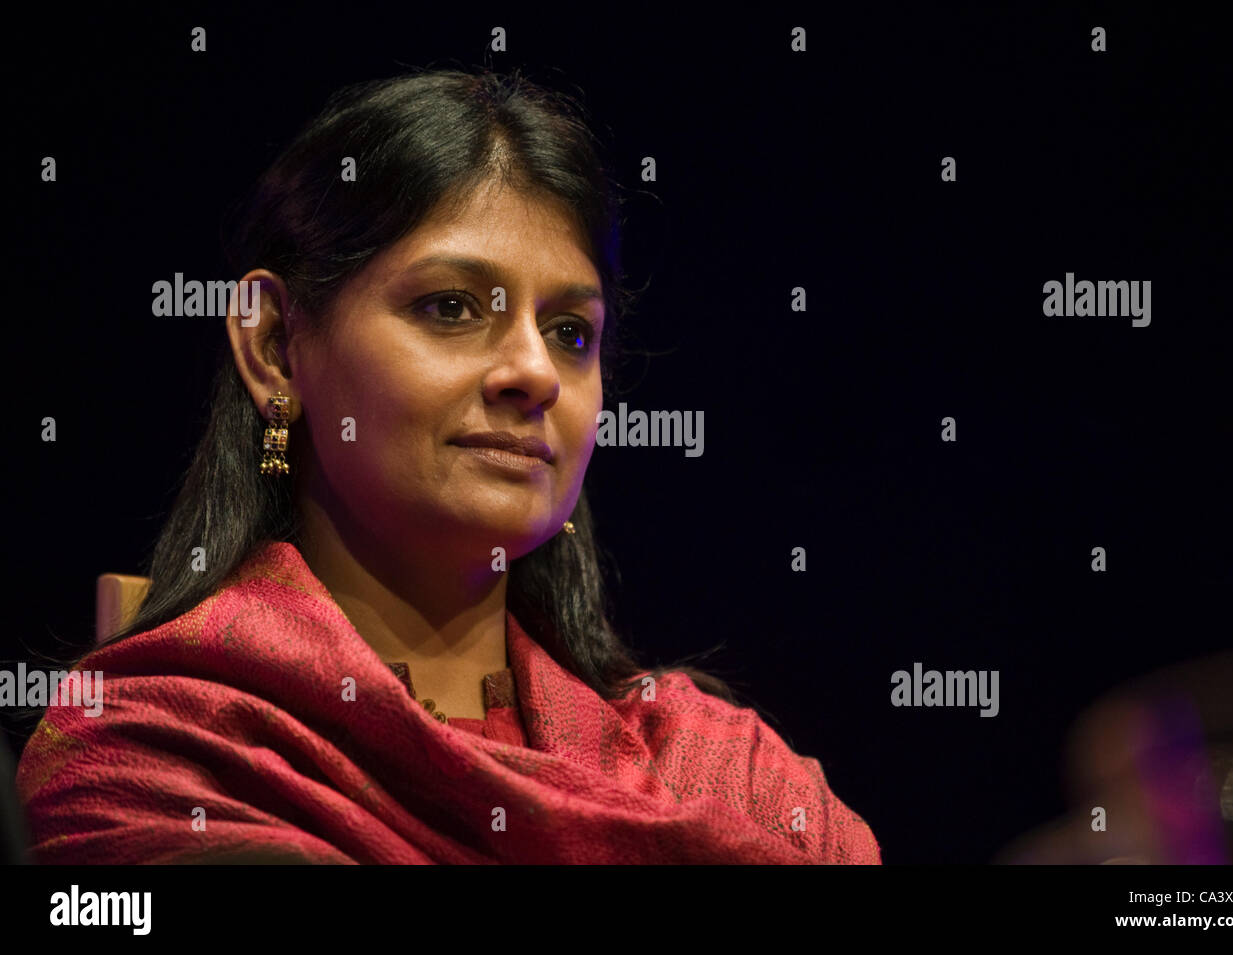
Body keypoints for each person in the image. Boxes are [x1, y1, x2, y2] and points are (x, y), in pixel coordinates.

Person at [15, 68, 882, 864]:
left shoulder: (725, 774)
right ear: (277, 346)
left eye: (570, 332)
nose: (535, 373)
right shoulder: (162, 750)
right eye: (452, 307)